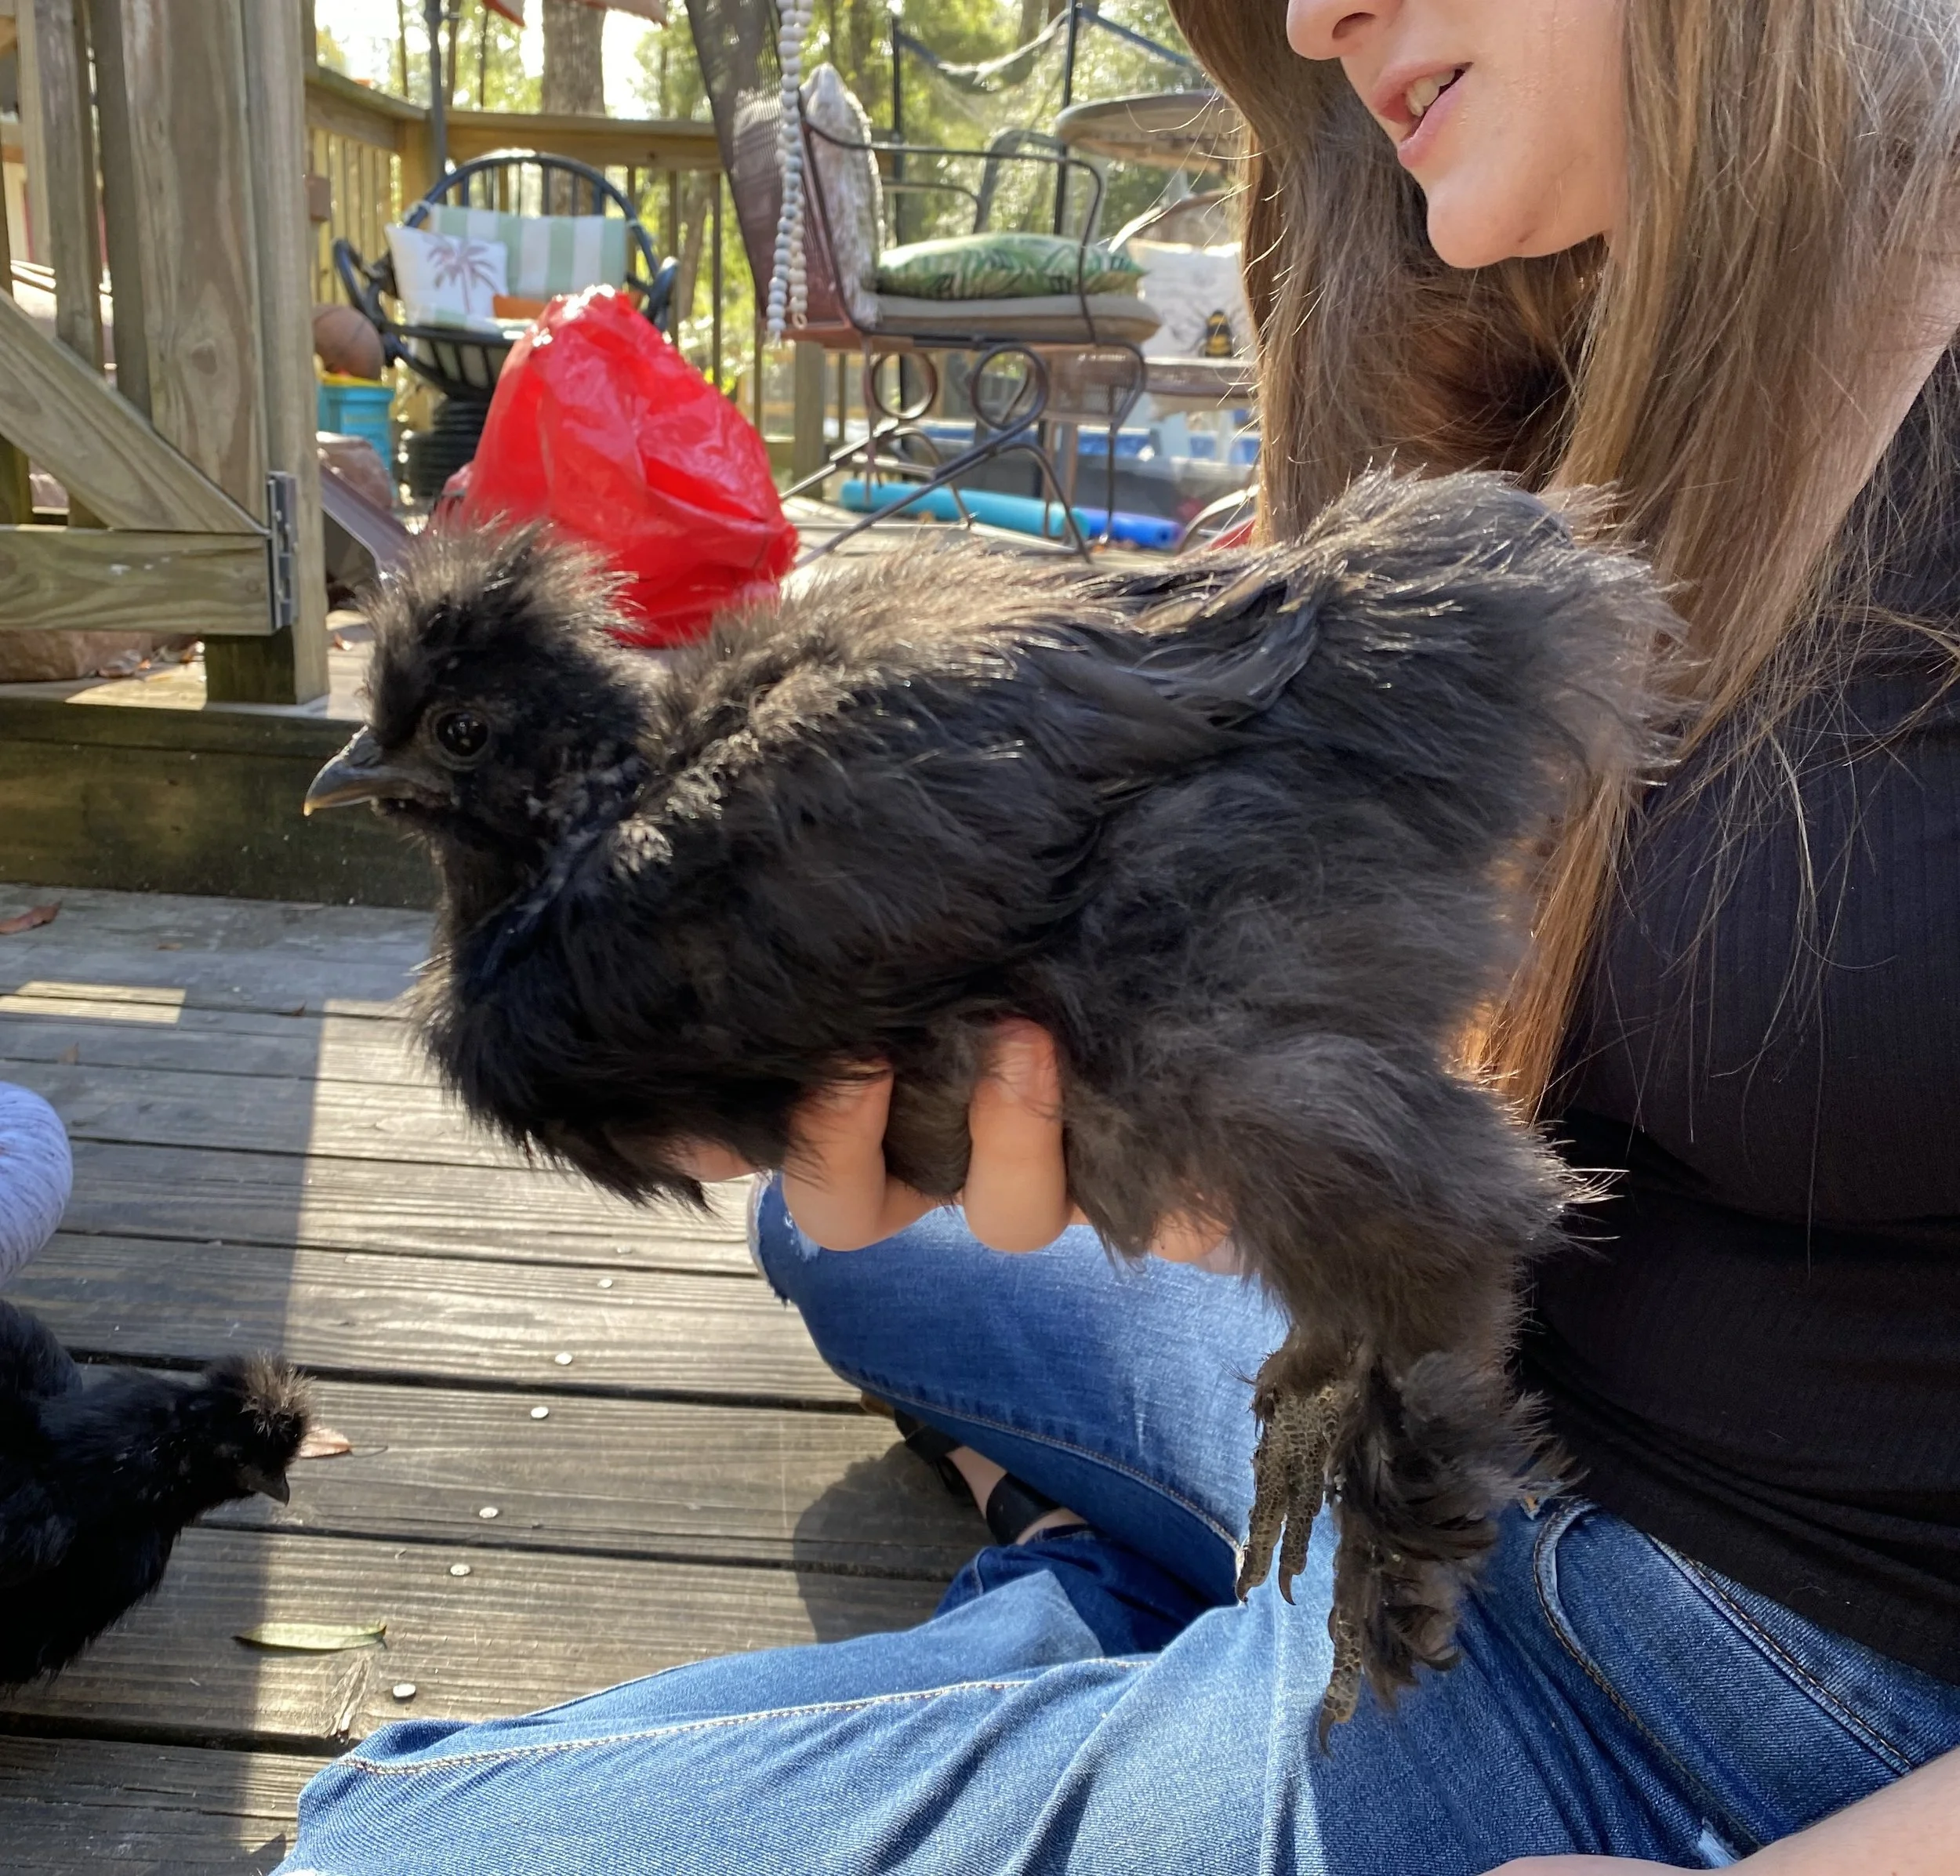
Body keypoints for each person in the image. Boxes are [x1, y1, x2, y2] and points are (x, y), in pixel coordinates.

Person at [274, 1, 1960, 1870]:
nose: (1316, 16)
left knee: (372, 1853)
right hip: (1453, 1339)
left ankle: (1133, 1619)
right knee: (839, 1239)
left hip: (1742, 1673)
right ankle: (1129, 1589)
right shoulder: (1569, 317)